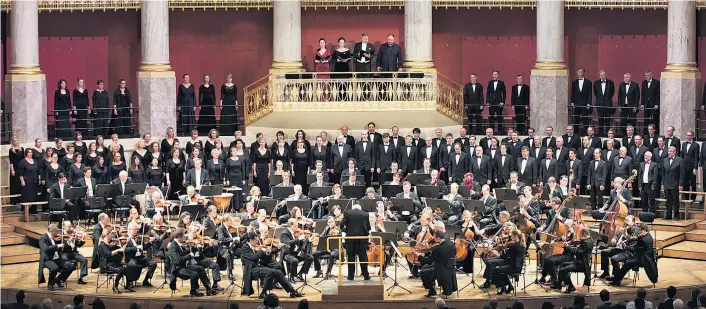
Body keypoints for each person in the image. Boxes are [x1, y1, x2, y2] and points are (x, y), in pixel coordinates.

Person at [240, 232, 302, 299]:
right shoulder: (245, 248)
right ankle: (263, 293)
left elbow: (264, 257)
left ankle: (292, 291)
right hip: (251, 269)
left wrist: (268, 251)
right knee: (271, 272)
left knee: (278, 272)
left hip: (258, 267)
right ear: (251, 240)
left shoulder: (253, 247)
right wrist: (262, 251)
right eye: (256, 240)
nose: (257, 242)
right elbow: (254, 257)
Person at [167, 228, 214, 297]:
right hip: (177, 269)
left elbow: (182, 254)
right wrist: (189, 255)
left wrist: (192, 249)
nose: (185, 237)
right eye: (183, 236)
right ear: (179, 237)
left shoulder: (177, 244)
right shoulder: (173, 246)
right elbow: (178, 260)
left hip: (183, 266)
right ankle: (193, 291)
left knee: (200, 268)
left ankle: (208, 288)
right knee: (194, 274)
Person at [419, 222, 457, 298]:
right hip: (449, 267)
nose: (434, 238)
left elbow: (428, 261)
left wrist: (419, 256)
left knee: (423, 273)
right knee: (427, 269)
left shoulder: (437, 249)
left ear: (438, 238)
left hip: (440, 270)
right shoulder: (451, 244)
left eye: (435, 237)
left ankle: (432, 290)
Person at [556, 227, 594, 293]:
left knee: (562, 270)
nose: (580, 237)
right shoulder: (590, 240)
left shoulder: (585, 243)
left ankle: (570, 286)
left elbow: (578, 252)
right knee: (563, 264)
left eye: (581, 235)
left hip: (581, 264)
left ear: (584, 234)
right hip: (582, 262)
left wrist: (568, 247)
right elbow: (579, 249)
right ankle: (559, 283)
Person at [38, 224, 76, 290]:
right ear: (51, 231)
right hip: (48, 259)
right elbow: (45, 248)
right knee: (54, 268)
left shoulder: (53, 237)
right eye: (56, 231)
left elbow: (59, 247)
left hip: (56, 258)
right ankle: (50, 284)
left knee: (71, 266)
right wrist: (57, 246)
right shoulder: (43, 238)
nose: (57, 233)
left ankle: (58, 279)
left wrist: (67, 243)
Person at [340, 204, 371, 280]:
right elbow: (368, 227)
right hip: (362, 238)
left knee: (351, 256)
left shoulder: (347, 212)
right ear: (360, 209)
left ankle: (351, 276)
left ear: (353, 208)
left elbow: (342, 224)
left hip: (351, 238)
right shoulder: (365, 214)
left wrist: (345, 230)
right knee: (363, 256)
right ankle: (366, 275)